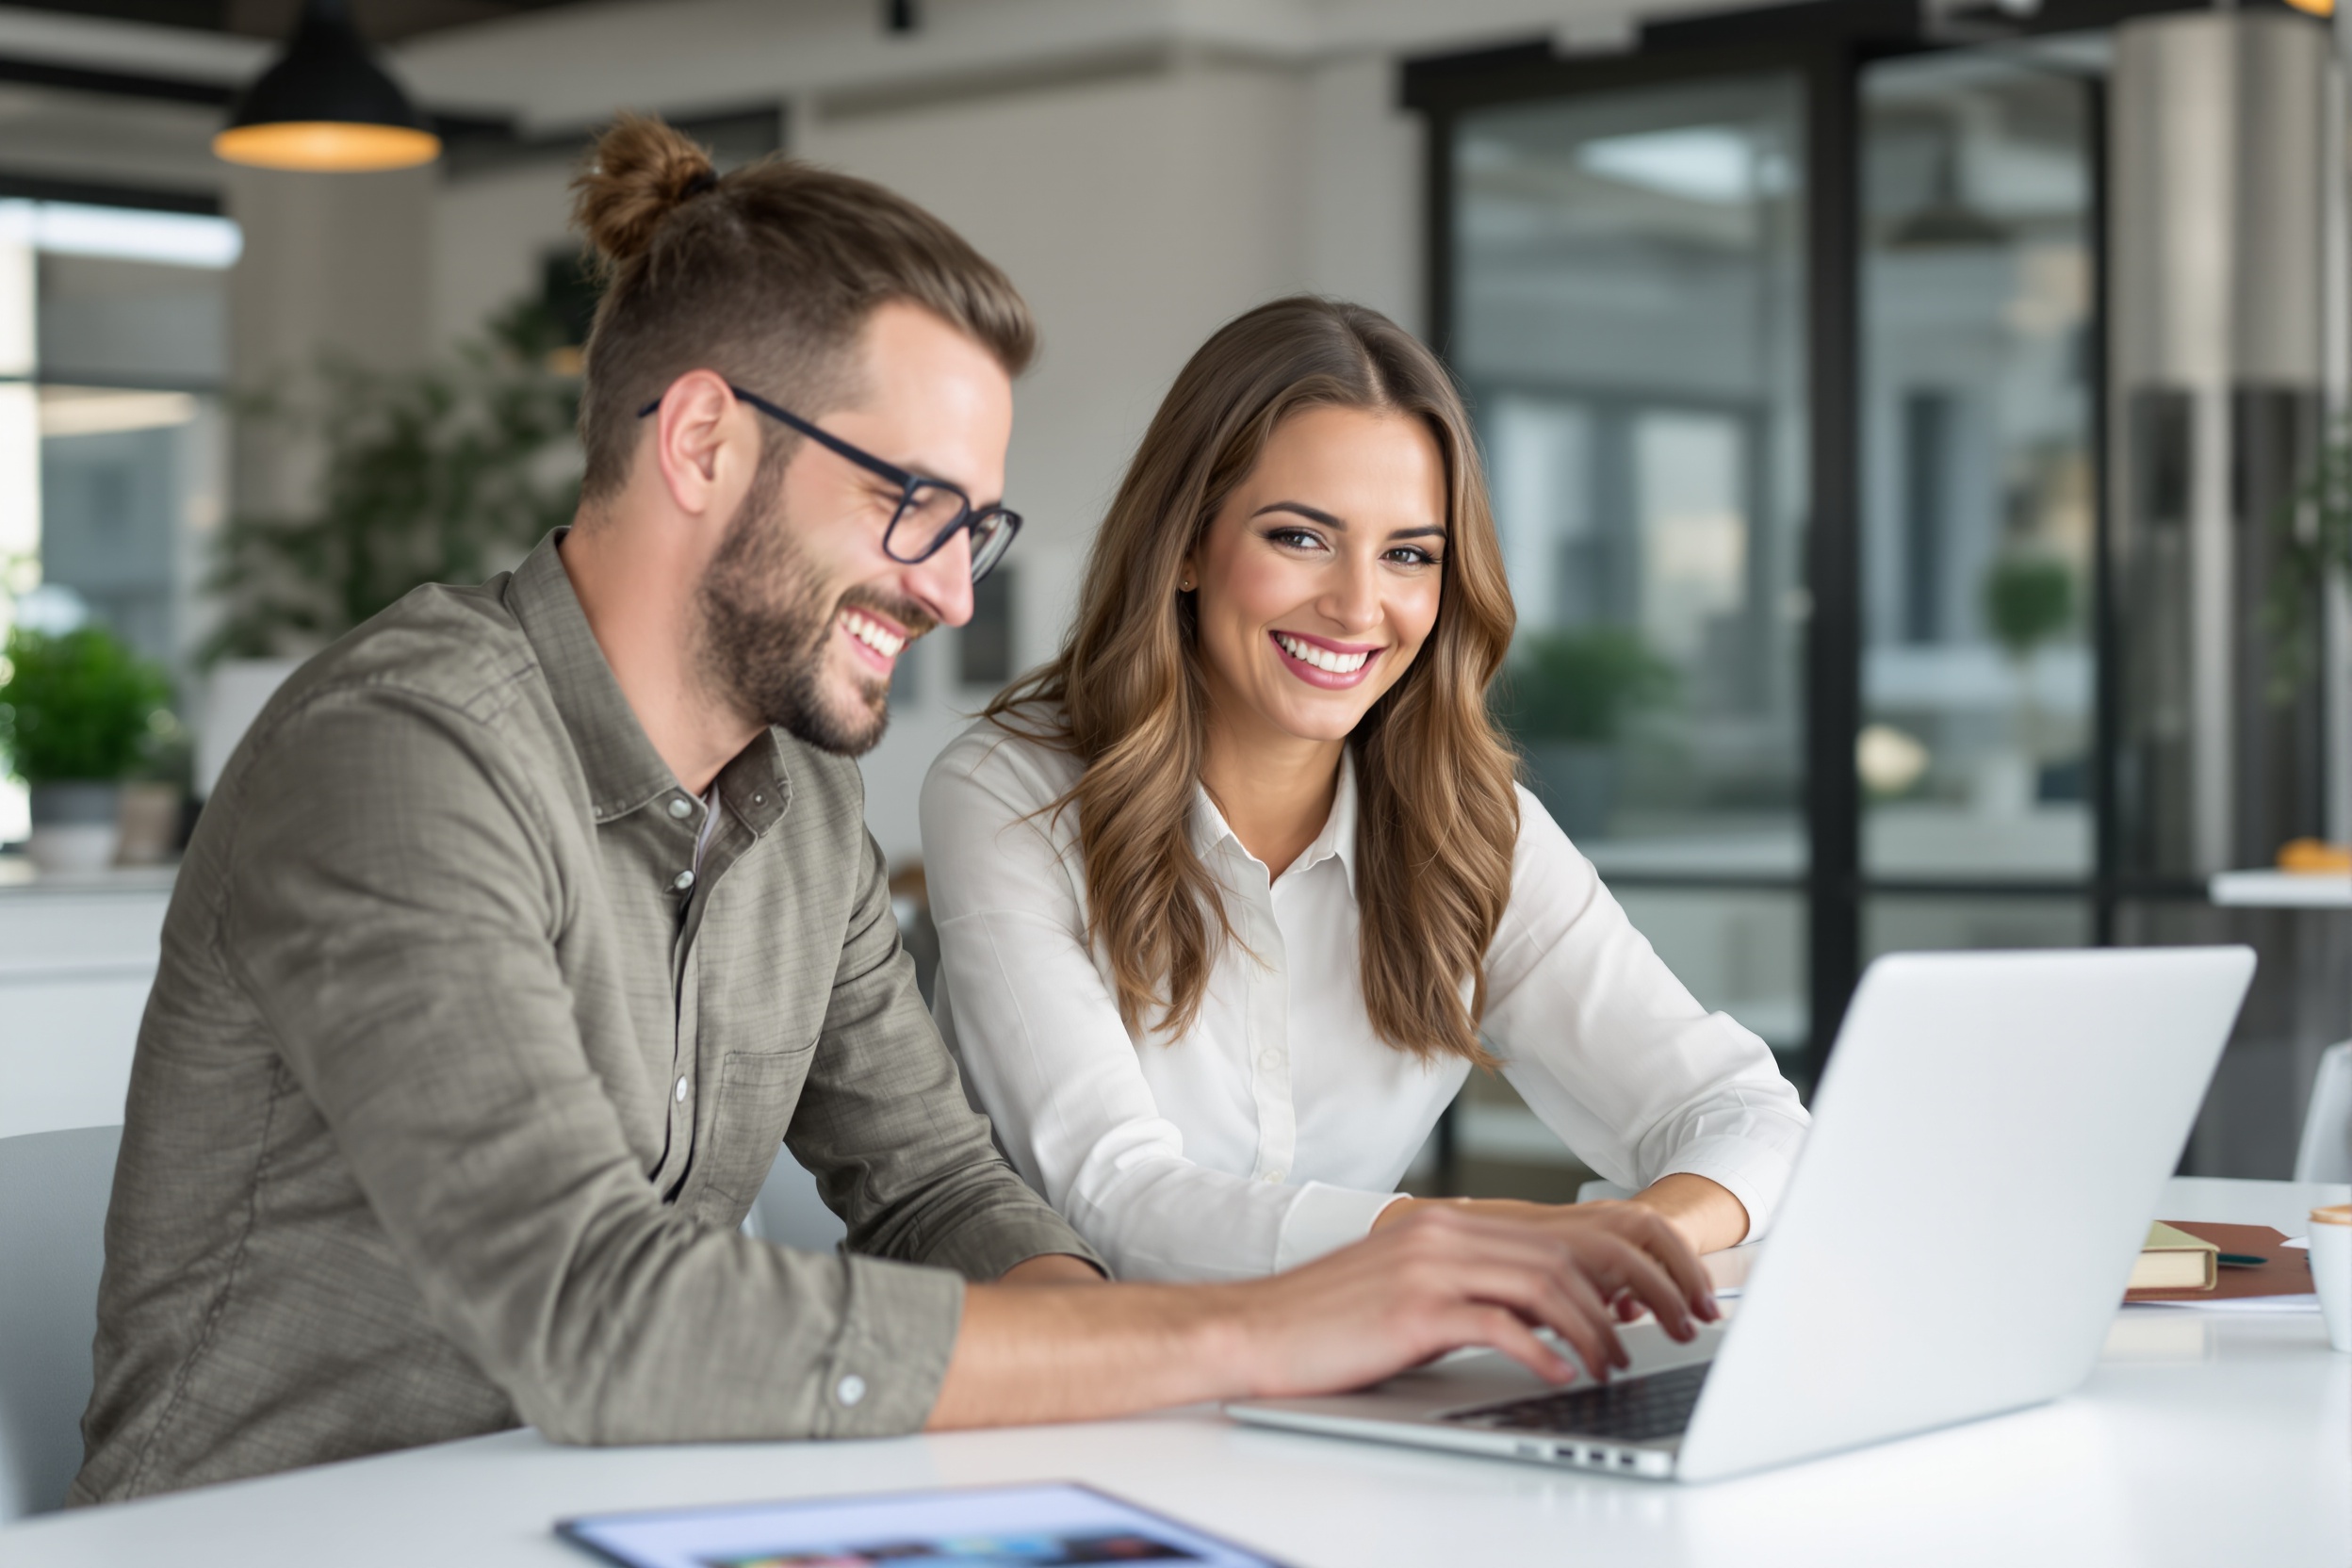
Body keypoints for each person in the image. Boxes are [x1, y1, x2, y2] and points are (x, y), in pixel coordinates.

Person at [73, 122, 1716, 1506]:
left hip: (612, 1503)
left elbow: (939, 1190)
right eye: (909, 504)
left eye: (971, 524)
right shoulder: (406, 750)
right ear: (704, 437)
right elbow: (592, 1311)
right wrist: (1262, 1325)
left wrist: (1146, 1384)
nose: (945, 591)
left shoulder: (798, 808)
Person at [921, 297, 1810, 1286]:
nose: (1357, 606)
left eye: (1409, 554)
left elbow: (1742, 1110)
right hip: (1050, 1394)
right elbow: (1114, 1196)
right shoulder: (1009, 793)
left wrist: (1640, 1239)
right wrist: (1481, 1247)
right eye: (1300, 537)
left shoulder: (1467, 821)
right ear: (1182, 546)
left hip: (1337, 1389)